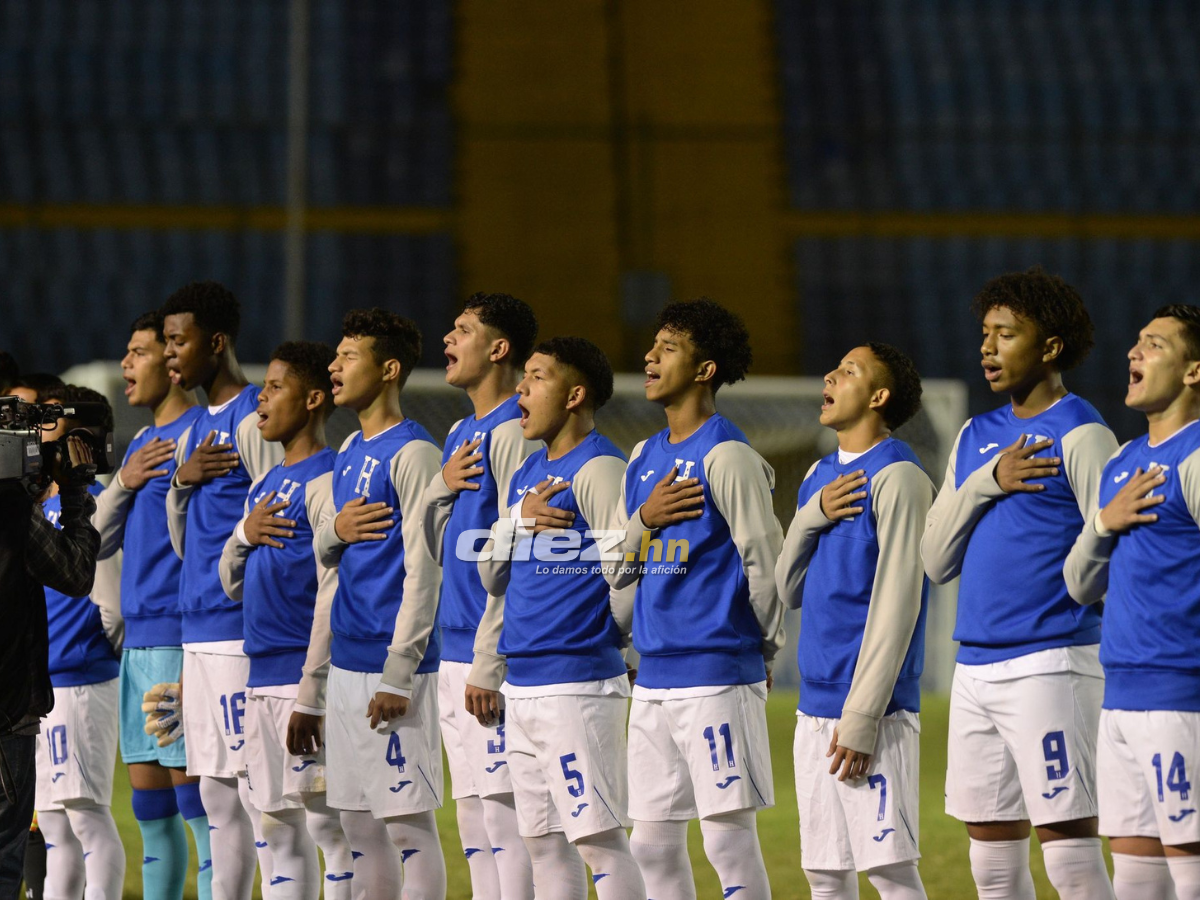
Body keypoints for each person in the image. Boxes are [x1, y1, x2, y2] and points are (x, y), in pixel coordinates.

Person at [921, 267, 1119, 900]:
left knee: (1071, 862)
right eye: (985, 333)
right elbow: (935, 559)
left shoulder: (1083, 432)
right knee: (992, 867)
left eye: (1006, 334)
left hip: (1053, 663)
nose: (988, 347)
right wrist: (989, 480)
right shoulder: (974, 436)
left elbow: (1113, 550)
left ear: (1050, 347)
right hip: (974, 668)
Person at [612, 298, 786, 900]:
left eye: (668, 348)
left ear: (705, 370)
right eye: (652, 345)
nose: (649, 357)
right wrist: (644, 518)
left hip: (716, 672)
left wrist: (764, 649)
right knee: (651, 845)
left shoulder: (727, 455)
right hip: (653, 676)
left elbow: (765, 562)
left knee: (727, 843)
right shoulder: (642, 456)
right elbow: (620, 569)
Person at [476, 337, 646, 899]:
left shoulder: (600, 467)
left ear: (574, 396)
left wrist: (611, 643)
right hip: (523, 684)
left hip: (577, 684)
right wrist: (516, 521)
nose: (520, 389)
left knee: (598, 841)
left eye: (536, 377)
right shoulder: (528, 470)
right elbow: (491, 576)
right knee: (543, 843)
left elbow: (626, 574)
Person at [776, 343, 933, 900]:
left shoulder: (900, 477)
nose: (830, 376)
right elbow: (788, 588)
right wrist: (811, 514)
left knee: (890, 873)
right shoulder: (818, 475)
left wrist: (863, 715)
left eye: (848, 371)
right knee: (825, 875)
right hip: (814, 706)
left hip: (874, 712)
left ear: (878, 396)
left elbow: (898, 604)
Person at [1064, 305, 1200, 900]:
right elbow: (1079, 584)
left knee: (1191, 870)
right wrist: (1104, 522)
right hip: (1119, 696)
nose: (1133, 352)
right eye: (1137, 341)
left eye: (1154, 344)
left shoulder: (1195, 457)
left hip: (1180, 698)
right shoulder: (1121, 461)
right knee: (1136, 878)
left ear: (1194, 371)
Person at [310, 308, 446, 897]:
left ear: (389, 370)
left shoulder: (413, 453)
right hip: (347, 663)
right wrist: (335, 530)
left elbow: (426, 568)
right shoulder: (347, 448)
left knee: (408, 829)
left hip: (392, 669)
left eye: (348, 357)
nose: (334, 366)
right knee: (358, 826)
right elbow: (326, 551)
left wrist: (399, 671)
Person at [218, 341, 355, 899]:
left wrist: (311, 693)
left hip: (304, 677)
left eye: (276, 388)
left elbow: (333, 594)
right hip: (260, 676)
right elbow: (232, 583)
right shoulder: (264, 482)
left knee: (330, 828)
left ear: (314, 399)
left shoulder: (329, 479)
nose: (261, 399)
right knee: (273, 826)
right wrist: (242, 534)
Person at [161, 281, 284, 898]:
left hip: (239, 631)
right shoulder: (193, 431)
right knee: (213, 791)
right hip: (198, 630)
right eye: (165, 342)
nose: (169, 354)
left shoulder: (255, 414)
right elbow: (185, 543)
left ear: (216, 342)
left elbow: (277, 514)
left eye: (178, 341)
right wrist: (180, 482)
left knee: (255, 793)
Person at [420, 292, 539, 900]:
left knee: (505, 816)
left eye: (462, 330)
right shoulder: (460, 431)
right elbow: (437, 546)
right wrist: (439, 487)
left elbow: (520, 553)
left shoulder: (516, 428)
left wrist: (490, 659)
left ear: (498, 349)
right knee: (472, 817)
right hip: (453, 646)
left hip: (491, 653)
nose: (448, 339)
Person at [94, 311, 210, 900]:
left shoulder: (200, 435)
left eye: (138, 352)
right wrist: (124, 481)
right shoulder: (141, 443)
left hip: (177, 643)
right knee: (151, 815)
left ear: (172, 361)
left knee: (204, 815)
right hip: (139, 648)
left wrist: (195, 653)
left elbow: (208, 548)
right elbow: (95, 540)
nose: (126, 364)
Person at [32, 386, 125, 900]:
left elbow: (112, 603)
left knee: (87, 816)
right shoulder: (42, 502)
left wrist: (95, 649)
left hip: (81, 679)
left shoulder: (96, 502)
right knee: (52, 823)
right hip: (44, 682)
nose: (40, 438)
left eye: (50, 428)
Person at [0, 426, 98, 900]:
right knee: (4, 859)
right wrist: (73, 495)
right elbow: (76, 574)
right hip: (7, 712)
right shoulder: (11, 510)